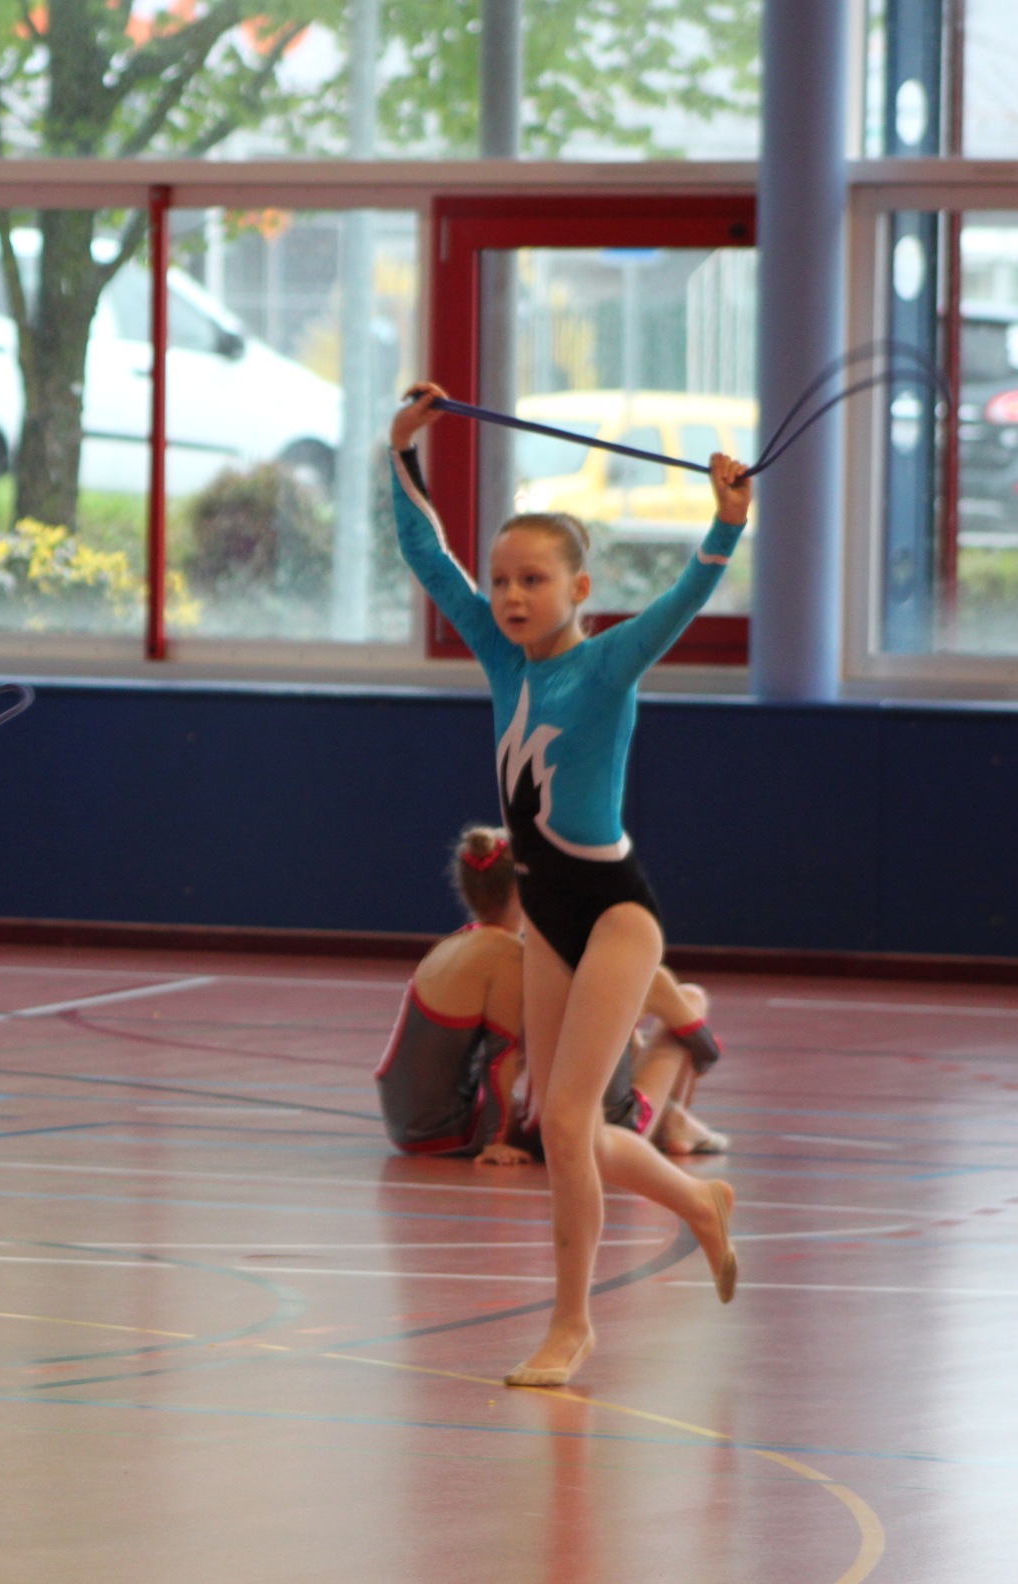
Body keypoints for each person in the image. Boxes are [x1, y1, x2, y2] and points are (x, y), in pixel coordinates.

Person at [389, 383, 741, 1389]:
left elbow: (681, 603)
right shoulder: (502, 659)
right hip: (544, 911)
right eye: (502, 580)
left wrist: (724, 524)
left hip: (615, 911)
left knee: (573, 1116)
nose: (509, 596)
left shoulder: (611, 662)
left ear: (579, 588)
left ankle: (572, 1326)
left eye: (533, 580)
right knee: (563, 1124)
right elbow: (428, 558)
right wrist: (402, 451)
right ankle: (699, 1201)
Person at [379, 827, 729, 1168]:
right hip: (449, 1128)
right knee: (688, 999)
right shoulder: (508, 958)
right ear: (525, 891)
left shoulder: (457, 944)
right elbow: (501, 1057)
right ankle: (672, 1121)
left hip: (406, 1121)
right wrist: (495, 1142)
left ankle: (673, 1122)